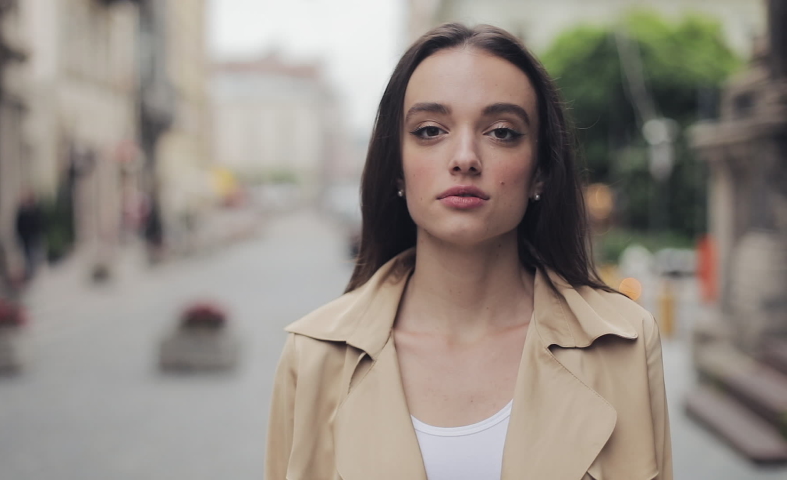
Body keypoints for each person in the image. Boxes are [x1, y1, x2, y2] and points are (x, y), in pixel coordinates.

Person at [265, 23, 672, 480]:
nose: (464, 157)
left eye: (501, 132)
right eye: (430, 130)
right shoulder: (314, 357)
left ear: (539, 172)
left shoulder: (624, 344)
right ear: (396, 168)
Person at [15, 190, 44, 281]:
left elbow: (40, 224)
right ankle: (30, 274)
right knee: (27, 257)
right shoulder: (22, 211)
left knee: (34, 256)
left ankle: (34, 274)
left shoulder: (36, 211)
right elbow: (18, 225)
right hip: (26, 239)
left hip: (34, 238)